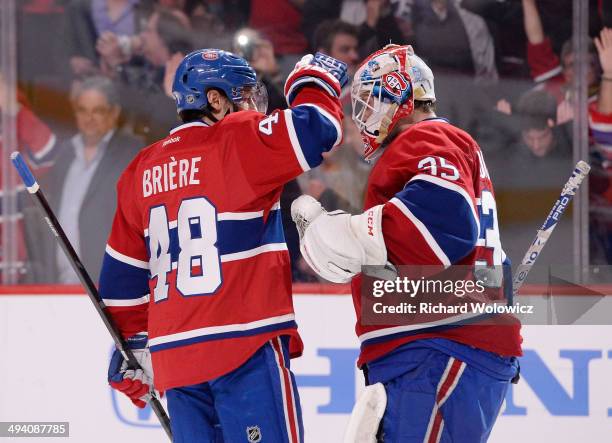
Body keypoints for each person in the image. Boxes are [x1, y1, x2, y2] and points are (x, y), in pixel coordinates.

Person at [99, 49, 346, 441]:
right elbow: (317, 129)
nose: (251, 107)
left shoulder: (140, 169)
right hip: (244, 347)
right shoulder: (237, 138)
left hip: (176, 363)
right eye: (244, 95)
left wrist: (131, 347)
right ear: (215, 99)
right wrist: (314, 79)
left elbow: (121, 278)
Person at [291, 44, 521, 441]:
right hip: (441, 345)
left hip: (438, 345)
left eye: (371, 100)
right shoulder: (446, 144)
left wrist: (344, 233)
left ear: (400, 93)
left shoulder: (425, 138)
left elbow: (443, 224)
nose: (364, 116)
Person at [25, 76, 142, 283]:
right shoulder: (66, 155)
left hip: (109, 285)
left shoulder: (132, 153)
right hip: (62, 285)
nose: (89, 118)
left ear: (114, 113)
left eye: (97, 110)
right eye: (83, 110)